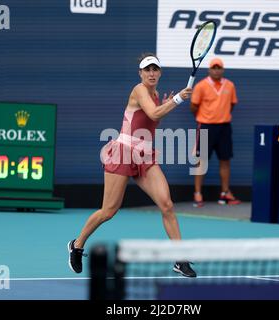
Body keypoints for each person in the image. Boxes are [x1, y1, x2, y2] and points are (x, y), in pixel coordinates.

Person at [68, 53, 196, 278]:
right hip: (123, 153)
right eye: (147, 70)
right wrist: (177, 99)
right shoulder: (139, 90)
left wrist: (165, 103)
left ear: (160, 72)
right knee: (108, 211)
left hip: (144, 155)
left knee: (166, 204)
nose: (151, 73)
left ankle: (180, 258)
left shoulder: (156, 95)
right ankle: (77, 245)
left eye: (155, 69)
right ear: (140, 74)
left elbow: (153, 119)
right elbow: (154, 113)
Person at [190, 57, 241, 208]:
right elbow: (193, 107)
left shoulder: (230, 85)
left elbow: (231, 105)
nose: (216, 70)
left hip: (224, 127)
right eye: (214, 67)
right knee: (201, 161)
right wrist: (206, 118)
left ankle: (224, 193)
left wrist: (221, 116)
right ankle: (197, 194)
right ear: (209, 70)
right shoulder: (201, 86)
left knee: (225, 160)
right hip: (206, 127)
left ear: (222, 70)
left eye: (219, 68)